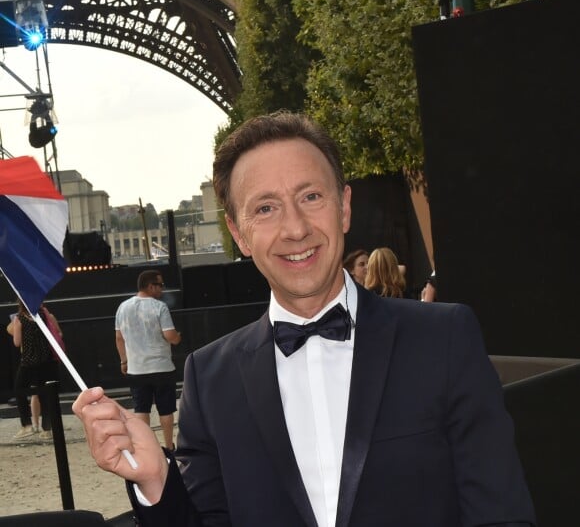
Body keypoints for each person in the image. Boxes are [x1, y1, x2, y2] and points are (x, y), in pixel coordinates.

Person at [73, 112, 535, 527]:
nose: (295, 228)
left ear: (345, 206)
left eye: (311, 196)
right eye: (266, 208)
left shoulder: (444, 339)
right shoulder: (210, 379)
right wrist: (156, 481)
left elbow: (501, 513)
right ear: (239, 234)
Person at [115, 270, 181, 450]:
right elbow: (169, 335)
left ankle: (146, 447)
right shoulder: (159, 307)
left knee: (141, 409)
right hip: (161, 366)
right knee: (166, 409)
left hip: (137, 368)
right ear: (151, 286)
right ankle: (168, 445)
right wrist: (177, 338)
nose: (162, 289)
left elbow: (119, 338)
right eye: (160, 285)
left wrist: (124, 361)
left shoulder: (123, 307)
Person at [10, 299, 61, 440]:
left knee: (19, 389)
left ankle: (27, 425)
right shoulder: (44, 316)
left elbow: (16, 342)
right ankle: (47, 429)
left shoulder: (19, 319)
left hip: (29, 362)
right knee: (44, 394)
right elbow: (57, 333)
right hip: (46, 361)